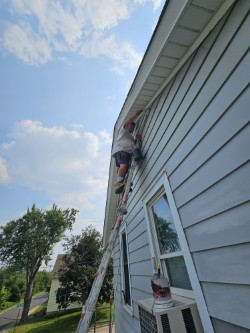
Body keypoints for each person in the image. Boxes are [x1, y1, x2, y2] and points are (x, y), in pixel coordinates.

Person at [112, 110, 143, 194]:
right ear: (128, 126)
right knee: (124, 165)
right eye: (131, 126)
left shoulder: (130, 138)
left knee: (125, 168)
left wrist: (137, 139)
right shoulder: (123, 131)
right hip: (121, 150)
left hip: (126, 153)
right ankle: (119, 183)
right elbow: (127, 123)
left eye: (133, 127)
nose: (132, 128)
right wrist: (135, 115)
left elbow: (133, 146)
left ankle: (123, 184)